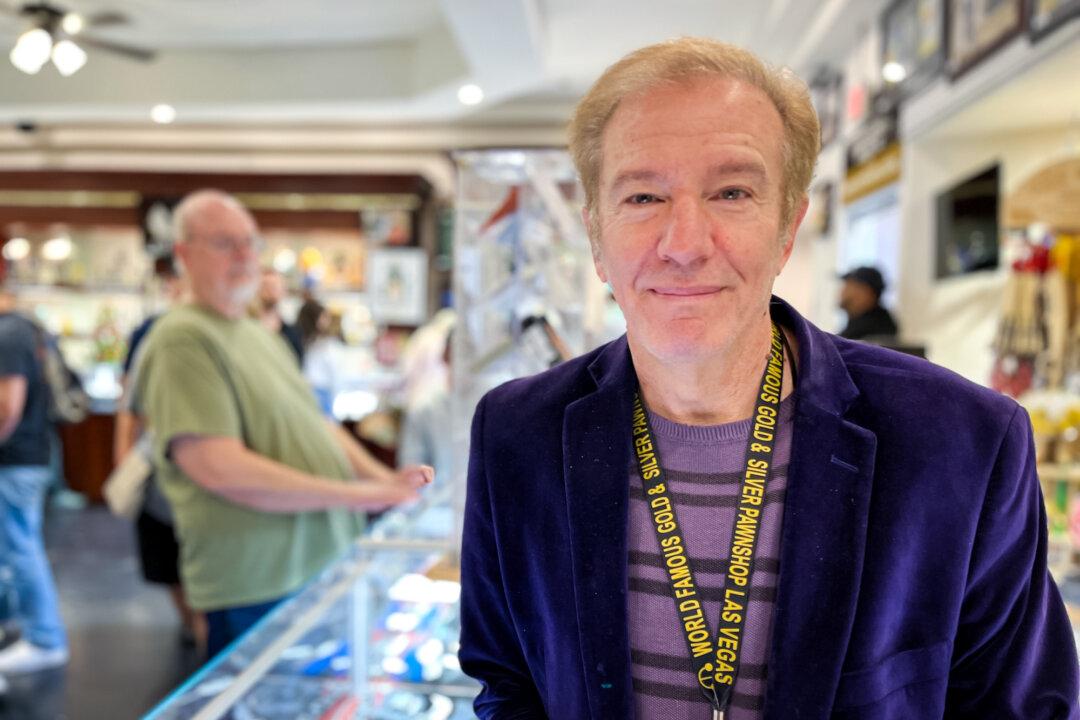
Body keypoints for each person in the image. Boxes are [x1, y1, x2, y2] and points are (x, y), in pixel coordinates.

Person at [458, 38, 1078, 719]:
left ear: (788, 228)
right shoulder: (517, 433)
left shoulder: (962, 443)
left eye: (731, 192)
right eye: (642, 195)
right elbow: (507, 681)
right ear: (597, 240)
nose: (685, 243)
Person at [136, 190, 432, 658]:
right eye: (224, 243)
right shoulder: (182, 338)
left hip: (315, 567)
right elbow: (220, 469)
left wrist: (387, 482)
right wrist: (366, 494)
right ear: (183, 254)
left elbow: (317, 423)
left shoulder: (256, 332)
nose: (243, 256)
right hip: (257, 585)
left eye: (250, 242)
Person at [113, 256, 206, 650]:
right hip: (162, 473)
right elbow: (130, 403)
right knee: (167, 563)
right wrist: (124, 462)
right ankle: (193, 625)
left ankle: (201, 630)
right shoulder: (153, 336)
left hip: (203, 479)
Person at [0, 282, 68, 681]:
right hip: (26, 458)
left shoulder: (9, 333)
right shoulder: (23, 329)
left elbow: (8, 408)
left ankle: (45, 638)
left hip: (15, 461)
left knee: (21, 549)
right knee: (14, 550)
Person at [252, 267, 304, 364]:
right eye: (266, 285)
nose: (271, 290)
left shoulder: (292, 332)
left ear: (284, 291)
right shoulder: (248, 329)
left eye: (275, 286)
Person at [838, 265, 899, 341]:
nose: (842, 292)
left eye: (848, 287)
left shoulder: (870, 330)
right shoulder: (857, 324)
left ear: (866, 293)